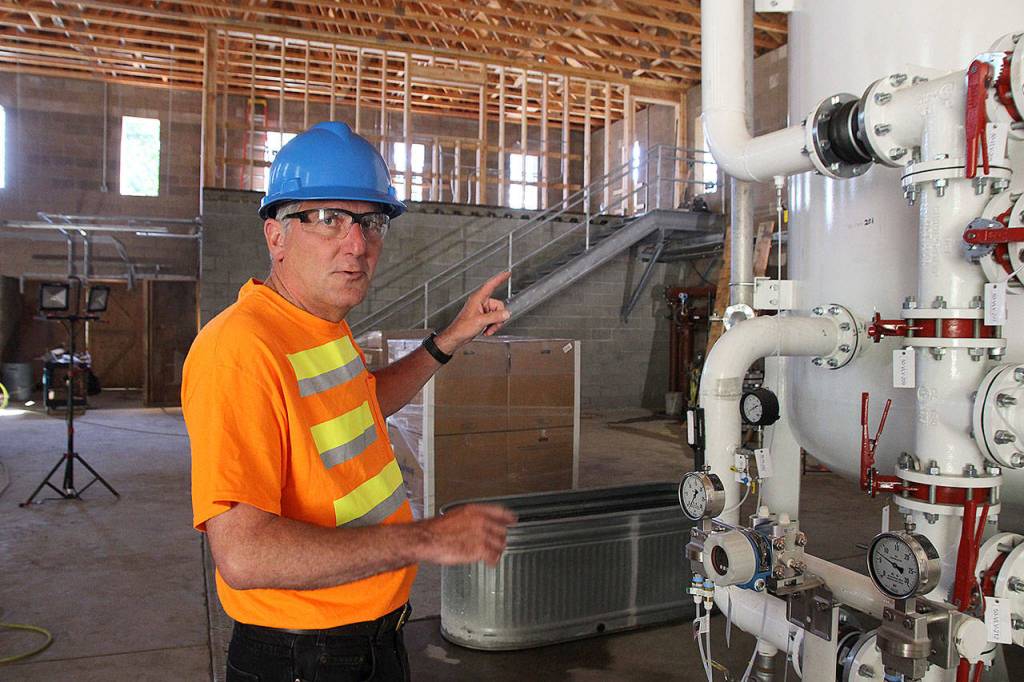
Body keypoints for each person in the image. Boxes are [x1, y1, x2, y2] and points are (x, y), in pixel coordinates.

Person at [182, 121, 518, 682]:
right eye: (327, 219)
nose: (357, 245)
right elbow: (245, 556)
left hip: (369, 636)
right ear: (276, 235)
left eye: (370, 222)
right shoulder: (239, 350)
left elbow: (361, 408)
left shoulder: (319, 325)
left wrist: (448, 339)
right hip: (305, 656)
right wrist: (426, 538)